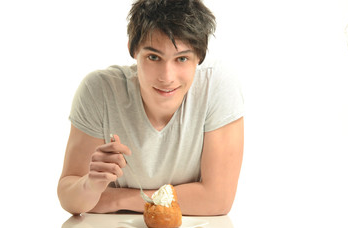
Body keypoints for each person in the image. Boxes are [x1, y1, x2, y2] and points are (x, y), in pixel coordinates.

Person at [57, 0, 244, 216]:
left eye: (182, 58)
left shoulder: (217, 87)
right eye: (153, 57)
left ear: (199, 57)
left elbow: (217, 200)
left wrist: (117, 199)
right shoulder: (100, 91)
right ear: (133, 49)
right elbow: (69, 197)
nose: (167, 77)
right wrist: (90, 186)